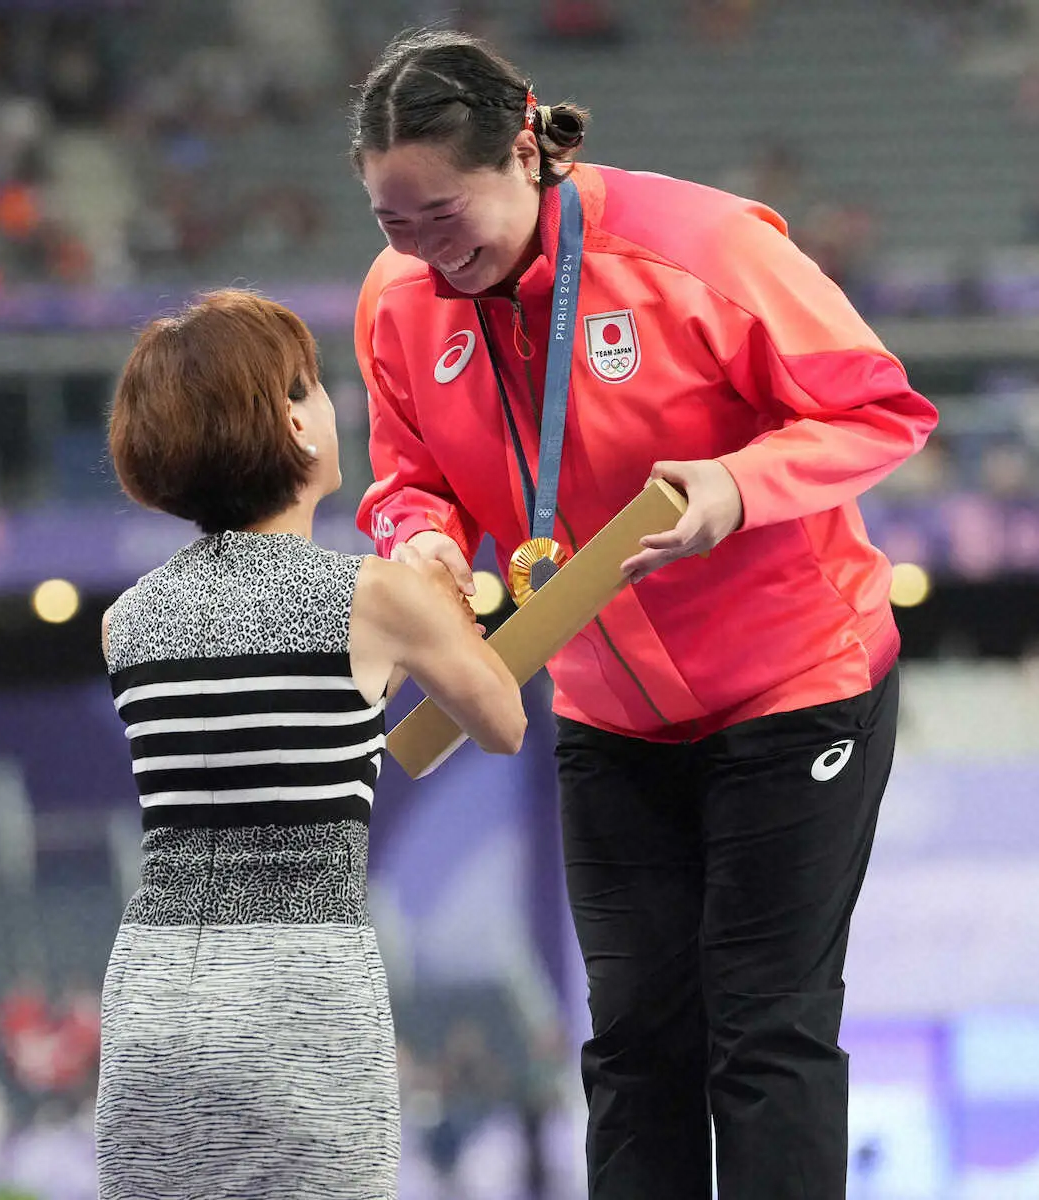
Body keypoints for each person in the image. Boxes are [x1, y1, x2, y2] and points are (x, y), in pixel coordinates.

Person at [349, 29, 939, 1200]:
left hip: (795, 685)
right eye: (391, 223)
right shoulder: (401, 303)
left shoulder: (697, 247)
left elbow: (881, 410)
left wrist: (737, 485)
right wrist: (417, 537)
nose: (421, 251)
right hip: (609, 716)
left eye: (443, 213)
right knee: (631, 1043)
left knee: (764, 1029)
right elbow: (404, 471)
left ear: (524, 149)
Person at [96, 287, 526, 1200]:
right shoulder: (370, 595)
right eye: (319, 388)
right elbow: (501, 719)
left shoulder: (127, 620)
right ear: (294, 423)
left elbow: (303, 706)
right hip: (302, 976)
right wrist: (443, 603)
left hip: (151, 983)